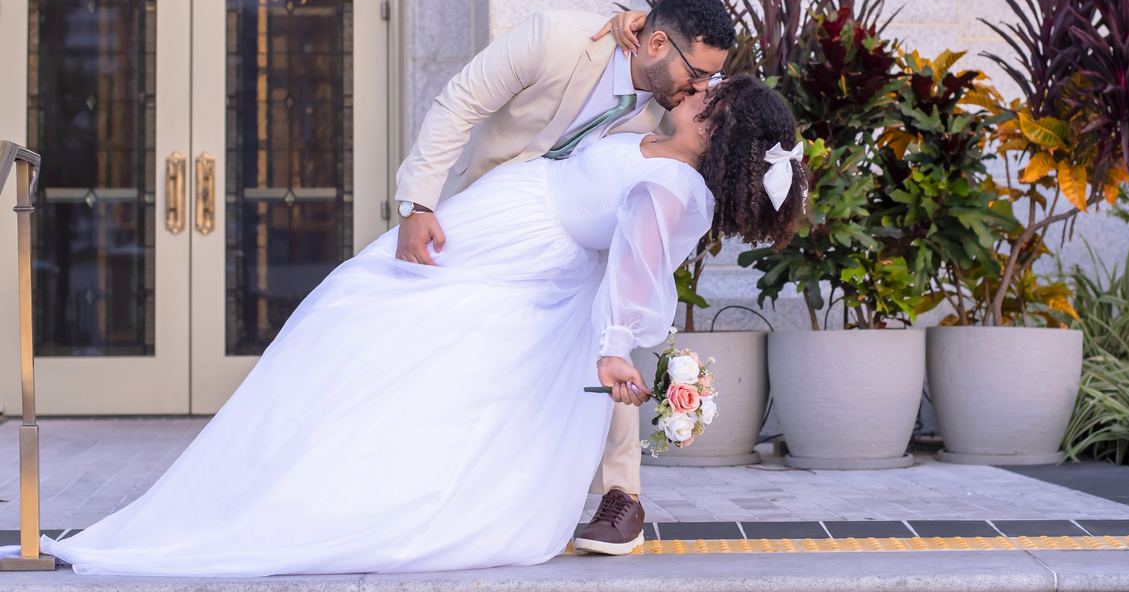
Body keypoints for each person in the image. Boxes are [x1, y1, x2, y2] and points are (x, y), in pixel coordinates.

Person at [38, 75, 808, 576]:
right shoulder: (656, 146)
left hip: (507, 268)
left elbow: (637, 272)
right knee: (354, 330)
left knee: (367, 338)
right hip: (498, 245)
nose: (699, 89)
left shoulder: (673, 188)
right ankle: (275, 479)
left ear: (717, 133)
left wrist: (613, 353)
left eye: (714, 96)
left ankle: (320, 498)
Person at [393, 0, 734, 554]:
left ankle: (622, 494)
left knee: (606, 330)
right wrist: (417, 204)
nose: (701, 90)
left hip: (582, 235)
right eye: (697, 74)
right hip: (500, 215)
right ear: (652, 41)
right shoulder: (556, 37)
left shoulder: (672, 102)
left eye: (710, 81)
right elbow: (460, 102)